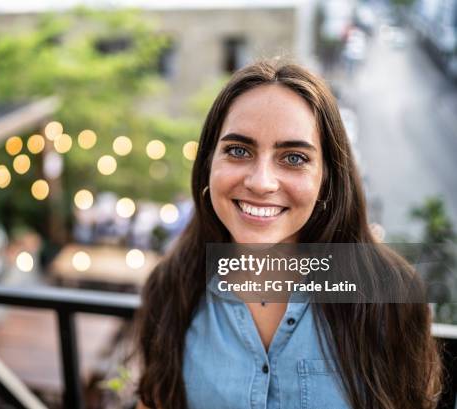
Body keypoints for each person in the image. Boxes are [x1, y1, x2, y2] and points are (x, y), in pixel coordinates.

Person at [135, 61, 442, 409]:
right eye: (238, 150)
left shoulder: (391, 297)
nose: (261, 182)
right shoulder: (172, 287)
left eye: (294, 158)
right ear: (208, 162)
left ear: (327, 178)